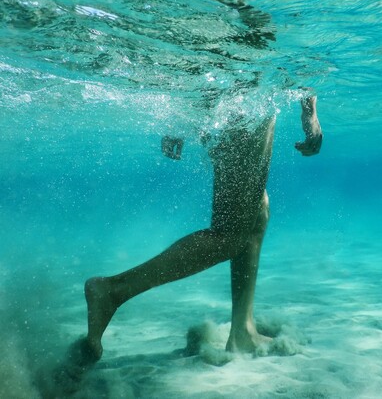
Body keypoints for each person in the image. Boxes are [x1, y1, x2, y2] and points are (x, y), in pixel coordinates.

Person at [70, 90, 322, 368]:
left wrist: (310, 108)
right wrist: (309, 107)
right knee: (230, 236)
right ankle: (112, 291)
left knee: (256, 210)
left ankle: (242, 330)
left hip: (240, 96)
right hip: (242, 99)